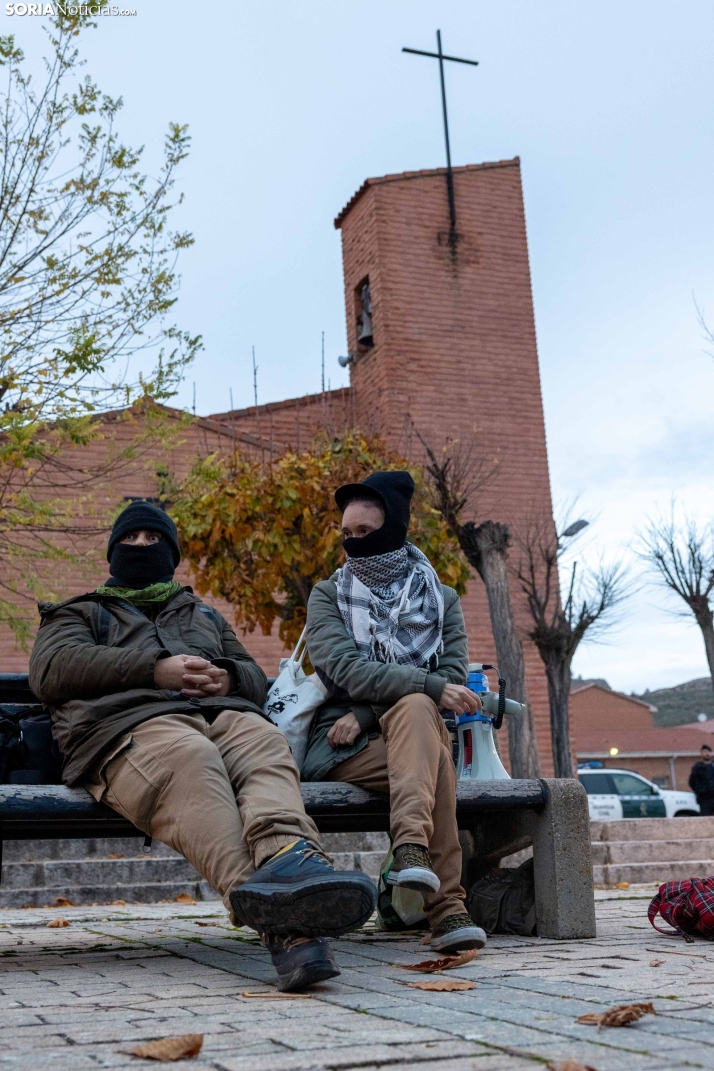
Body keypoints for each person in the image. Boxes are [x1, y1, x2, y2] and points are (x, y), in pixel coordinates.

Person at [29, 500, 376, 991]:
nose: (141, 547)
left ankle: (290, 856)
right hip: (128, 730)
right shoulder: (81, 611)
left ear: (171, 552)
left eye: (153, 540)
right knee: (194, 760)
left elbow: (254, 677)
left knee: (263, 739)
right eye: (131, 540)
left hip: (222, 716)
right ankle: (286, 924)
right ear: (112, 551)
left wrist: (228, 677)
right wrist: (155, 669)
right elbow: (51, 669)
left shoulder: (203, 614)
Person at [302, 471, 487, 953]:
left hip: (402, 733)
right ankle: (446, 908)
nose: (354, 541)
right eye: (348, 533)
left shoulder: (440, 598)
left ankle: (411, 851)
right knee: (432, 745)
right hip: (343, 745)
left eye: (366, 531)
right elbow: (345, 669)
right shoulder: (328, 594)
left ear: (395, 526)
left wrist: (367, 711)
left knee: (421, 720)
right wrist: (411, 693)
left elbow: (451, 673)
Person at [689, 744, 714, 815]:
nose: (707, 754)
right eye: (705, 752)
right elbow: (691, 782)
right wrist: (699, 791)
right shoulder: (697, 768)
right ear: (701, 753)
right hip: (704, 799)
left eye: (709, 752)